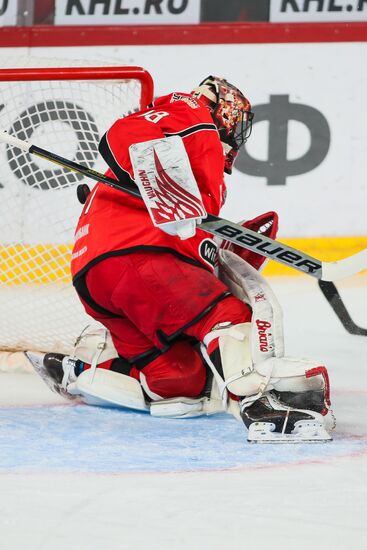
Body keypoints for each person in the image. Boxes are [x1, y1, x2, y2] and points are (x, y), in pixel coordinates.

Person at [26, 76, 333, 442]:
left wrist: (222, 250)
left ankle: (77, 371)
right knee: (228, 317)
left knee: (180, 382)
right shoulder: (191, 113)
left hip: (93, 276)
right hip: (137, 256)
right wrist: (166, 164)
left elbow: (182, 243)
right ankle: (259, 404)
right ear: (225, 111)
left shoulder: (186, 163)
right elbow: (124, 134)